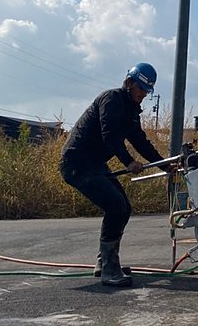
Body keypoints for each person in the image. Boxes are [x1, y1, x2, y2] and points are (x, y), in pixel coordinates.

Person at [59, 62, 165, 287]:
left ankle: (105, 262)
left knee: (124, 207)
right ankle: (108, 268)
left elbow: (141, 143)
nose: (143, 95)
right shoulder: (112, 99)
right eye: (141, 89)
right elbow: (110, 136)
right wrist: (128, 162)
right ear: (129, 83)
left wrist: (166, 166)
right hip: (77, 163)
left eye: (147, 91)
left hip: (95, 164)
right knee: (115, 205)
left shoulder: (131, 111)